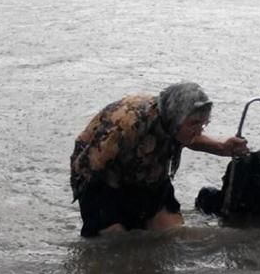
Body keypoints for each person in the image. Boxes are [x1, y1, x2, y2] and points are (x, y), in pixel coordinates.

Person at [70, 82, 249, 237]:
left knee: (171, 232)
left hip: (150, 172)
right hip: (103, 177)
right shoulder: (128, 123)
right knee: (114, 239)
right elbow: (89, 167)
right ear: (175, 118)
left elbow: (187, 138)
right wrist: (100, 214)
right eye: (194, 123)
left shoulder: (173, 124)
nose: (199, 130)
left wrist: (221, 147)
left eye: (203, 124)